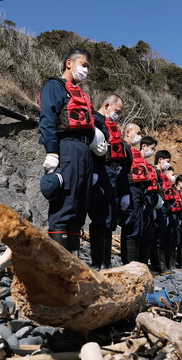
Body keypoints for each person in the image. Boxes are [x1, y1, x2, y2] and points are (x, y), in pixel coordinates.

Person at [38, 48, 107, 252]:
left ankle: (73, 266)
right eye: (83, 65)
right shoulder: (54, 87)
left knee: (79, 209)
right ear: (69, 63)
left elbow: (93, 123)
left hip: (85, 151)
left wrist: (96, 143)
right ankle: (58, 268)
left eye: (87, 67)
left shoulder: (83, 95)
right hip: (67, 146)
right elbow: (47, 120)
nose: (86, 70)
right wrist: (52, 151)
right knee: (64, 205)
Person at [88, 94, 130, 269]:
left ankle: (107, 261)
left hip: (113, 173)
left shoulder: (112, 126)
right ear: (107, 105)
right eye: (117, 111)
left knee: (110, 219)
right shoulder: (96, 121)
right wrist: (94, 171)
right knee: (100, 216)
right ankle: (98, 262)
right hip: (101, 170)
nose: (117, 115)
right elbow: (91, 147)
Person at [119, 124, 155, 264]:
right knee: (131, 226)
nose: (140, 135)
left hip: (140, 192)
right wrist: (123, 193)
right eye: (138, 132)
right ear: (128, 132)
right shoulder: (125, 149)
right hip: (130, 189)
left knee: (139, 228)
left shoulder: (136, 154)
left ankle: (137, 264)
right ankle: (129, 264)